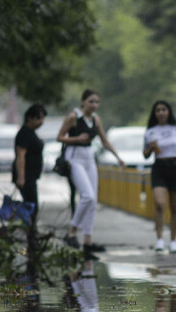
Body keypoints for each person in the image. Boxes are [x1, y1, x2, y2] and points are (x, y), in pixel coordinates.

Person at [56, 89, 125, 259]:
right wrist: (76, 139)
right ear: (83, 102)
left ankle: (88, 241)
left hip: (89, 158)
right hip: (75, 157)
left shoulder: (96, 119)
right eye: (91, 101)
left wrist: (118, 158)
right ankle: (72, 232)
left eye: (97, 102)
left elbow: (104, 141)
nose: (94, 105)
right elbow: (59, 136)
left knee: (93, 199)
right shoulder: (73, 117)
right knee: (87, 196)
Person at [143, 100, 176, 255]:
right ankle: (159, 238)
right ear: (154, 114)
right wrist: (150, 147)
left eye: (163, 110)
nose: (161, 113)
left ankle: (173, 241)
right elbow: (145, 155)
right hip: (159, 167)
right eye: (158, 110)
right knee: (159, 203)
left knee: (175, 206)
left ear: (169, 112)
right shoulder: (150, 131)